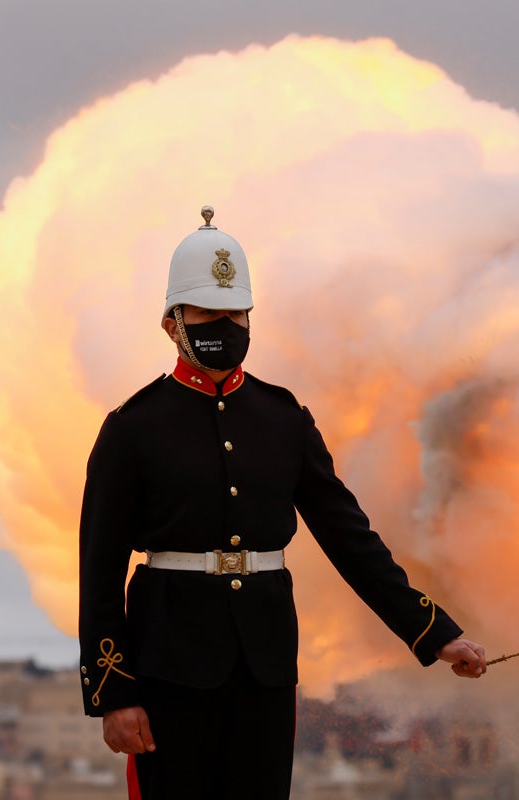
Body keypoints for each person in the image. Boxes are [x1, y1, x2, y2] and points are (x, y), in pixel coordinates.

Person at [77, 206, 486, 799]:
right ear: (172, 323)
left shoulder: (284, 417)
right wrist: (115, 694)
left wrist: (431, 632)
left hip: (265, 665)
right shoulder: (130, 428)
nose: (226, 324)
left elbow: (350, 538)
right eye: (207, 314)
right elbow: (100, 568)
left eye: (235, 313)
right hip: (167, 665)